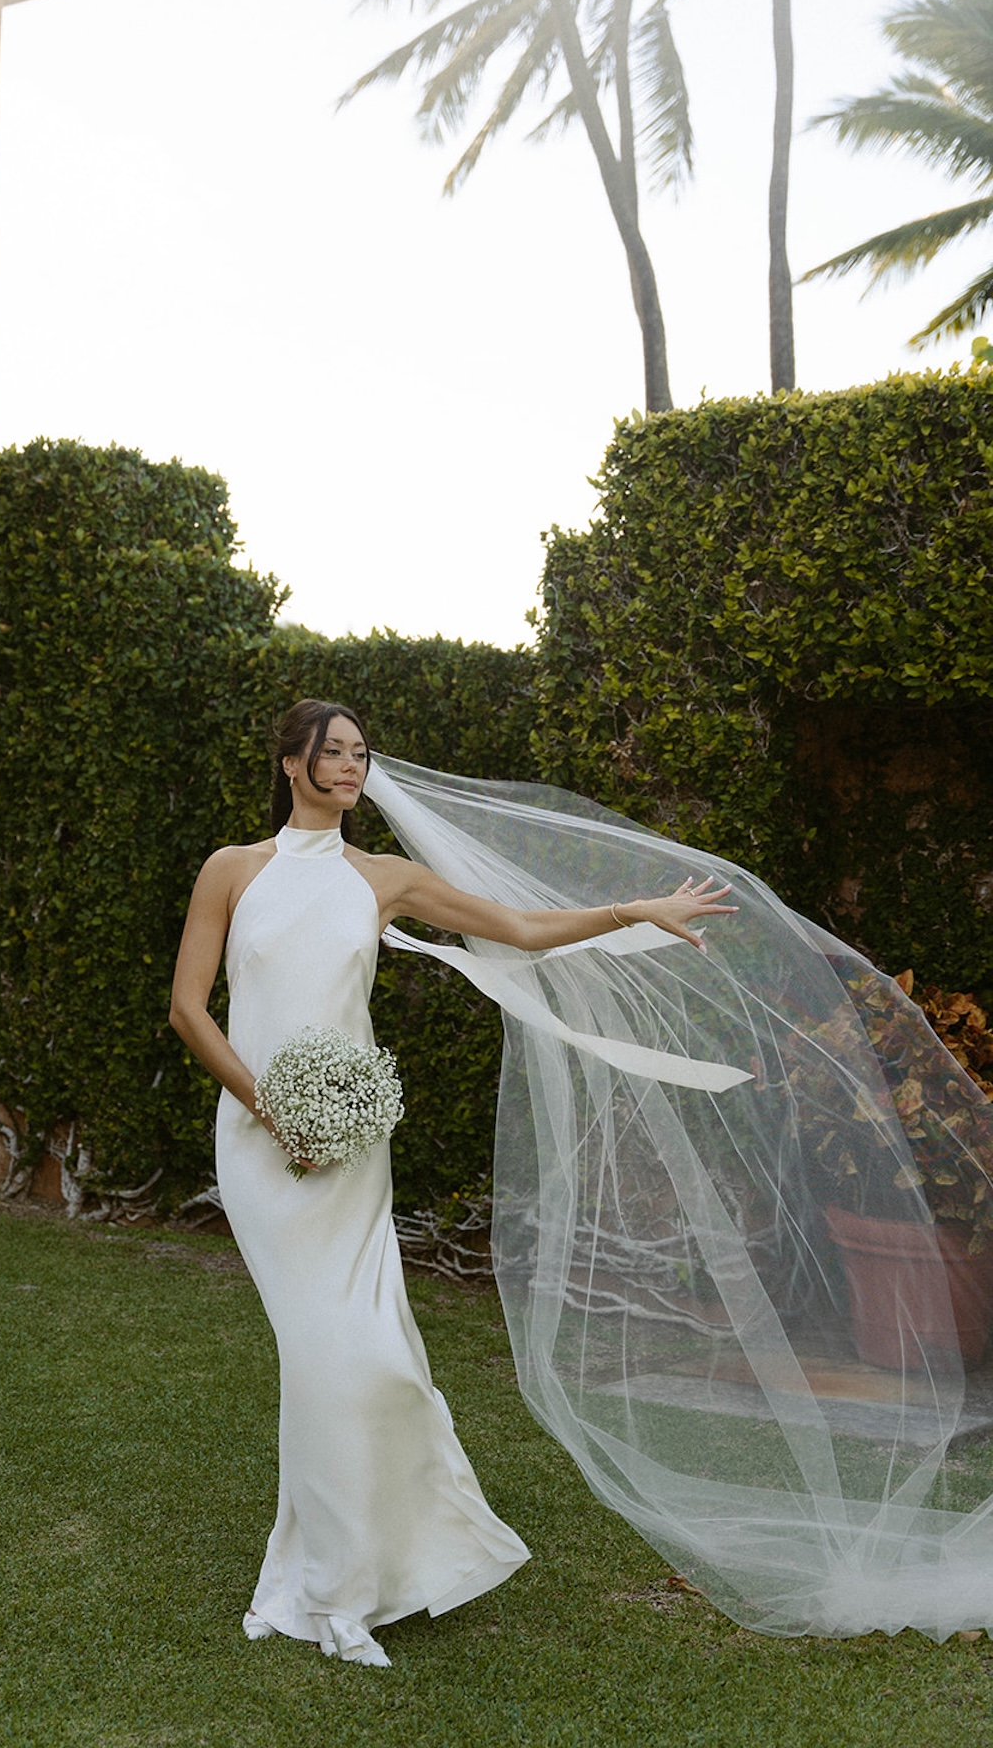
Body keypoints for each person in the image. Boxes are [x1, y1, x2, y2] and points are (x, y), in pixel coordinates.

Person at [168, 697, 736, 1667]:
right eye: (332, 752)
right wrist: (272, 1110)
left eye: (359, 753)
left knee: (364, 1360)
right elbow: (189, 1009)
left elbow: (514, 926)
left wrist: (630, 912)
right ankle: (330, 1588)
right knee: (322, 1357)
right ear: (290, 763)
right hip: (261, 1142)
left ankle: (329, 1581)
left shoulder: (384, 879)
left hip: (350, 1146)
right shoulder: (233, 869)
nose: (350, 767)